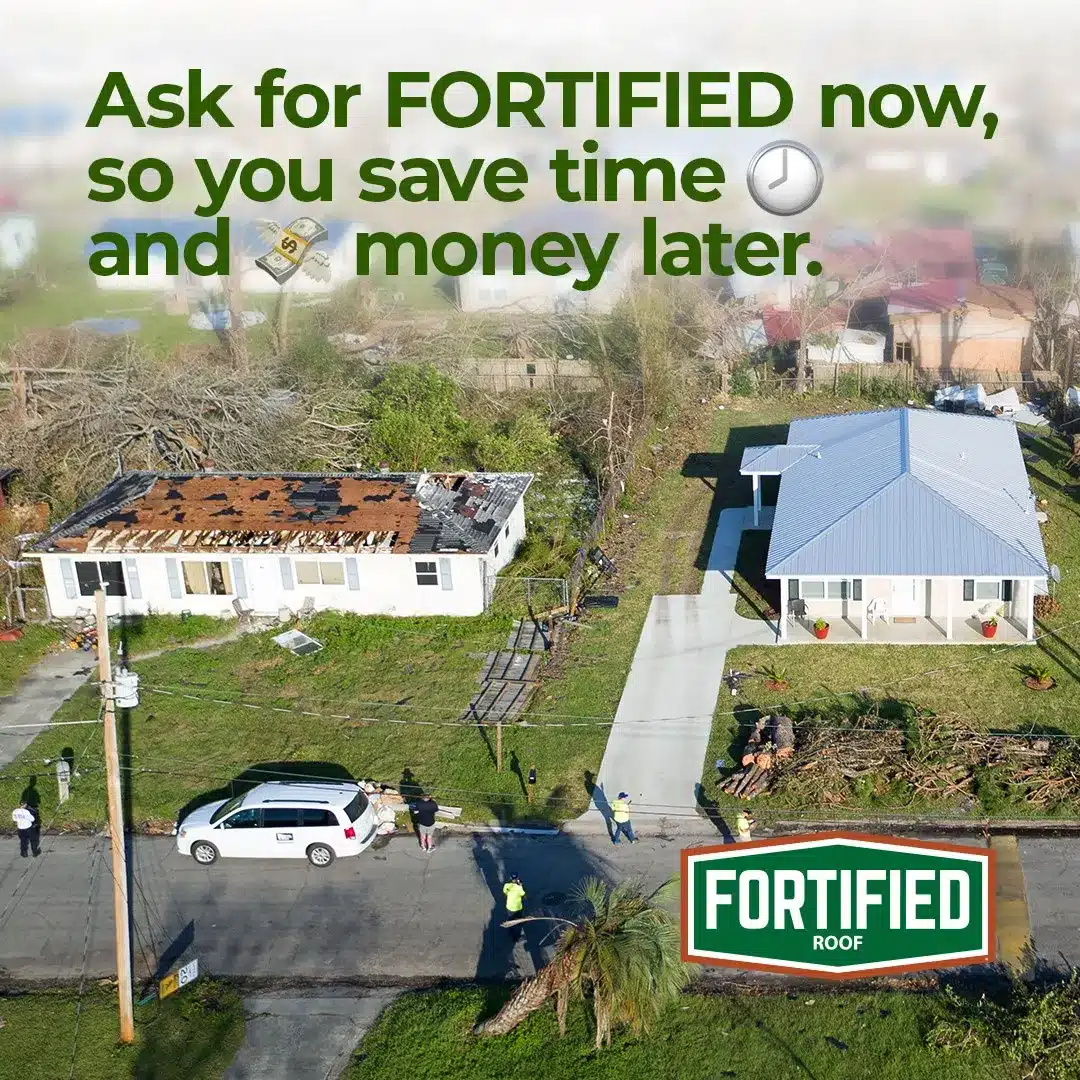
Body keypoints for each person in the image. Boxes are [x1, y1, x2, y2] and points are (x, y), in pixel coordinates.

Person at [503, 874, 526, 941]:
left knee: (510, 920)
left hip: (509, 907)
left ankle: (510, 931)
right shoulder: (519, 888)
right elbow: (523, 895)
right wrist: (520, 885)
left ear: (510, 878)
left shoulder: (506, 885)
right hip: (517, 908)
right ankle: (517, 937)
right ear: (517, 878)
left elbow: (505, 892)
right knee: (518, 923)